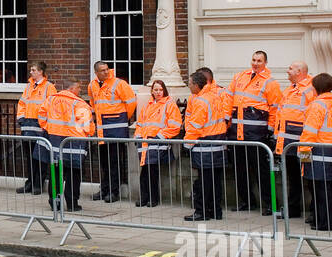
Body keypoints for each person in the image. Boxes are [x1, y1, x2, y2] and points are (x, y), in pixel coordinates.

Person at [226, 50, 282, 212]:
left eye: (259, 60)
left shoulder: (270, 83)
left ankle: (270, 205)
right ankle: (246, 202)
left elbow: (275, 108)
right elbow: (228, 99)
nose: (255, 63)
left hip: (257, 134)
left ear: (265, 63)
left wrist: (270, 130)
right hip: (237, 132)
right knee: (240, 170)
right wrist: (226, 122)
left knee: (261, 171)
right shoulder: (239, 77)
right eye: (254, 60)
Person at [39, 80, 94, 212]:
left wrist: (50, 128)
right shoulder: (80, 104)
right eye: (79, 88)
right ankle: (72, 203)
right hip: (74, 143)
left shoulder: (50, 100)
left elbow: (41, 116)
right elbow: (87, 126)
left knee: (55, 172)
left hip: (55, 141)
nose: (80, 91)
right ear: (72, 89)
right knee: (73, 174)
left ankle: (54, 202)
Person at [299, 73, 332, 231]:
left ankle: (324, 223)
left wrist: (303, 157)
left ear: (316, 88)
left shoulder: (317, 105)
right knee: (326, 190)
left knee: (319, 191)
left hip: (318, 153)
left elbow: (309, 133)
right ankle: (322, 221)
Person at [89, 61, 138, 203]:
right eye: (102, 70)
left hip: (116, 129)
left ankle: (113, 192)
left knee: (115, 161)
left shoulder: (119, 84)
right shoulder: (92, 85)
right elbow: (94, 105)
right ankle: (104, 189)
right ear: (96, 72)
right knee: (104, 162)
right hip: (102, 131)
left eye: (107, 69)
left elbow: (131, 103)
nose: (106, 72)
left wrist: (122, 118)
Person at [183, 70, 228, 220]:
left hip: (205, 148)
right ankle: (215, 211)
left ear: (196, 85)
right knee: (215, 182)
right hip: (218, 146)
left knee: (203, 183)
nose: (188, 86)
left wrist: (187, 145)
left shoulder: (200, 101)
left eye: (189, 83)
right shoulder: (214, 97)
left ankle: (201, 212)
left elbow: (195, 127)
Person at [275, 61, 315, 219]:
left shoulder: (309, 90)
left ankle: (315, 211)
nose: (287, 70)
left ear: (299, 72)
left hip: (304, 144)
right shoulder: (290, 90)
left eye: (290, 69)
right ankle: (292, 208)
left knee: (310, 176)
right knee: (293, 176)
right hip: (288, 144)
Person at [134, 79, 182, 207]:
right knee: (145, 170)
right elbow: (140, 124)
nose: (158, 92)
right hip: (145, 143)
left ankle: (152, 199)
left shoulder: (169, 105)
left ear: (164, 90)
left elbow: (175, 125)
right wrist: (137, 137)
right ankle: (146, 198)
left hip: (157, 142)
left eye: (161, 89)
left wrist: (158, 136)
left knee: (151, 171)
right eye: (156, 89)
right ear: (152, 91)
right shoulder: (147, 106)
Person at [15, 61, 55, 196]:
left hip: (40, 128)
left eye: (33, 70)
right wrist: (20, 117)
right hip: (27, 126)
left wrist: (45, 124)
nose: (31, 72)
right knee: (29, 157)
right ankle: (30, 183)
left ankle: (38, 184)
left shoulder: (49, 87)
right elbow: (22, 103)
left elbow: (51, 106)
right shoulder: (28, 87)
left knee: (40, 157)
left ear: (40, 72)